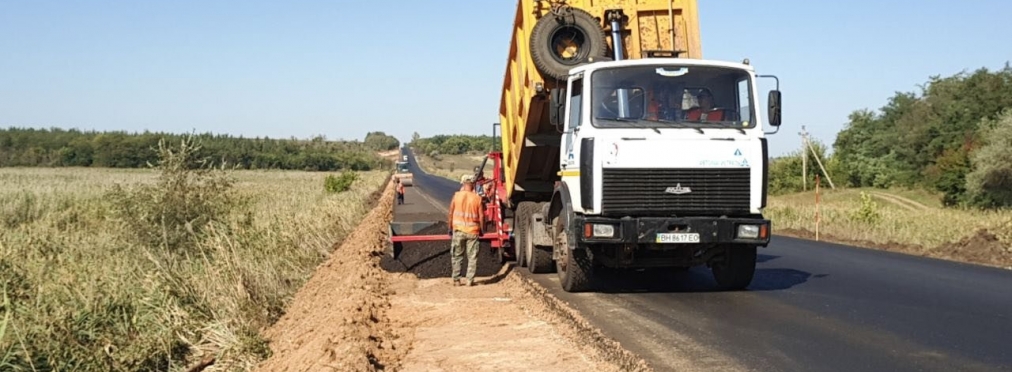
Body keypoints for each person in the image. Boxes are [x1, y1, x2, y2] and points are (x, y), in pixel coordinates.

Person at [448, 174, 484, 286]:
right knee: (472, 257)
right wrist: (482, 230)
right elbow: (481, 216)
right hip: (473, 231)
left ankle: (456, 280)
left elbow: (450, 213)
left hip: (458, 230)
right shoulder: (477, 199)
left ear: (463, 184)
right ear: (472, 184)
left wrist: (450, 227)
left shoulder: (456, 196)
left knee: (457, 256)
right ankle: (469, 280)